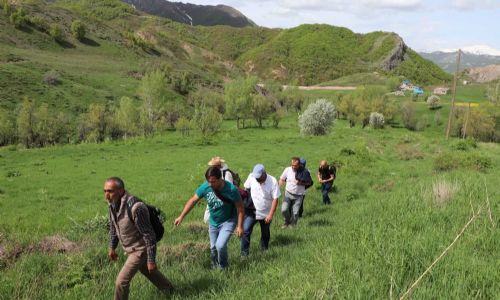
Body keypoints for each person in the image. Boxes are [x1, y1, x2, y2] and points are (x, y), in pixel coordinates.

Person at [104, 177, 173, 300]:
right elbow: (114, 228)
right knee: (148, 271)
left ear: (121, 191)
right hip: (131, 248)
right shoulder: (113, 204)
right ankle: (170, 290)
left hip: (140, 249)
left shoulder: (136, 207)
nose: (106, 195)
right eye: (105, 191)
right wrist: (112, 247)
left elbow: (149, 235)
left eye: (110, 191)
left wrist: (151, 260)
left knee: (121, 282)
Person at [174, 166, 244, 269]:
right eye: (208, 181)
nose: (210, 184)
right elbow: (193, 200)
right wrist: (181, 216)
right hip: (213, 222)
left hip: (228, 220)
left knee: (220, 246)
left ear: (220, 179)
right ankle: (214, 266)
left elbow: (240, 208)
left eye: (213, 182)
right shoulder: (205, 187)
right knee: (213, 248)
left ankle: (223, 268)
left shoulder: (231, 190)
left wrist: (240, 226)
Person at [241, 164, 280, 256]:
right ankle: (244, 254)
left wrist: (270, 215)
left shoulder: (272, 181)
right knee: (246, 230)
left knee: (265, 232)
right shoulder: (251, 176)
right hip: (252, 210)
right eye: (256, 177)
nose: (257, 179)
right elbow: (246, 188)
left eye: (259, 177)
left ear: (264, 173)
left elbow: (275, 199)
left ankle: (264, 250)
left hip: (266, 212)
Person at [279, 157, 310, 228]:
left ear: (299, 165)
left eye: (295, 165)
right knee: (284, 209)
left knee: (295, 213)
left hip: (299, 196)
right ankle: (286, 222)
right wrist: (279, 186)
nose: (293, 167)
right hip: (288, 193)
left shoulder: (304, 172)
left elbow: (309, 182)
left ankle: (292, 226)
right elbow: (281, 179)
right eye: (292, 165)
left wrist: (301, 183)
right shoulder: (287, 170)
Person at [204, 157, 234, 223]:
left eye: (212, 166)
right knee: (207, 217)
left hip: (223, 199)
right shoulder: (213, 174)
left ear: (218, 166)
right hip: (212, 196)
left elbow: (230, 188)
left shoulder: (227, 173)